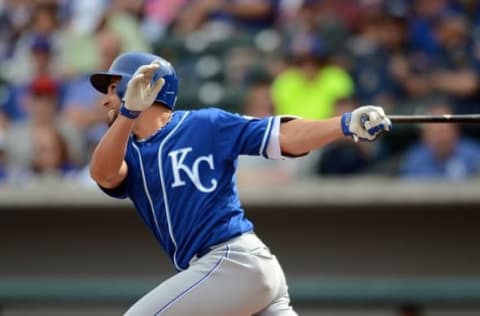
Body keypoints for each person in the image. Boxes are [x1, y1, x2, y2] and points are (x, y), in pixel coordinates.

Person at [89, 51, 391, 316]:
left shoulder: (205, 124)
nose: (106, 99)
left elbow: (282, 135)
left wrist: (343, 123)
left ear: (140, 87)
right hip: (229, 273)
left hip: (232, 259)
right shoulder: (126, 149)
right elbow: (103, 173)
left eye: (115, 88)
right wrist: (129, 114)